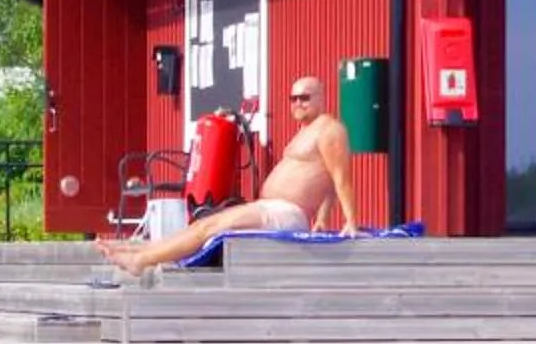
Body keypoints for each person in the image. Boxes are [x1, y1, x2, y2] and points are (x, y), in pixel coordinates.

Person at [98, 74, 356, 275]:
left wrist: (350, 222)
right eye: (293, 99)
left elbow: (340, 177)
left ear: (322, 97)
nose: (298, 103)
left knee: (210, 226)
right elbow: (326, 182)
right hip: (272, 208)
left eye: (305, 97)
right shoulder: (305, 131)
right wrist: (322, 218)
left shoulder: (329, 129)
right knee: (202, 225)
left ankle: (140, 261)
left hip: (285, 212)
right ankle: (140, 250)